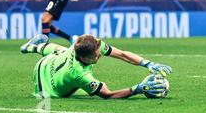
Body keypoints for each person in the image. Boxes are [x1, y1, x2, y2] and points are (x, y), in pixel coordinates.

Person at [20, 34, 172, 99]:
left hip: (48, 62)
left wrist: (149, 63)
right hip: (45, 86)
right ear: (85, 58)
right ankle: (33, 47)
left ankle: (31, 47)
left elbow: (122, 54)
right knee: (100, 87)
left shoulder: (87, 43)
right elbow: (108, 95)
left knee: (61, 51)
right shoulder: (78, 74)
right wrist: (137, 89)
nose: (100, 55)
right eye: (97, 55)